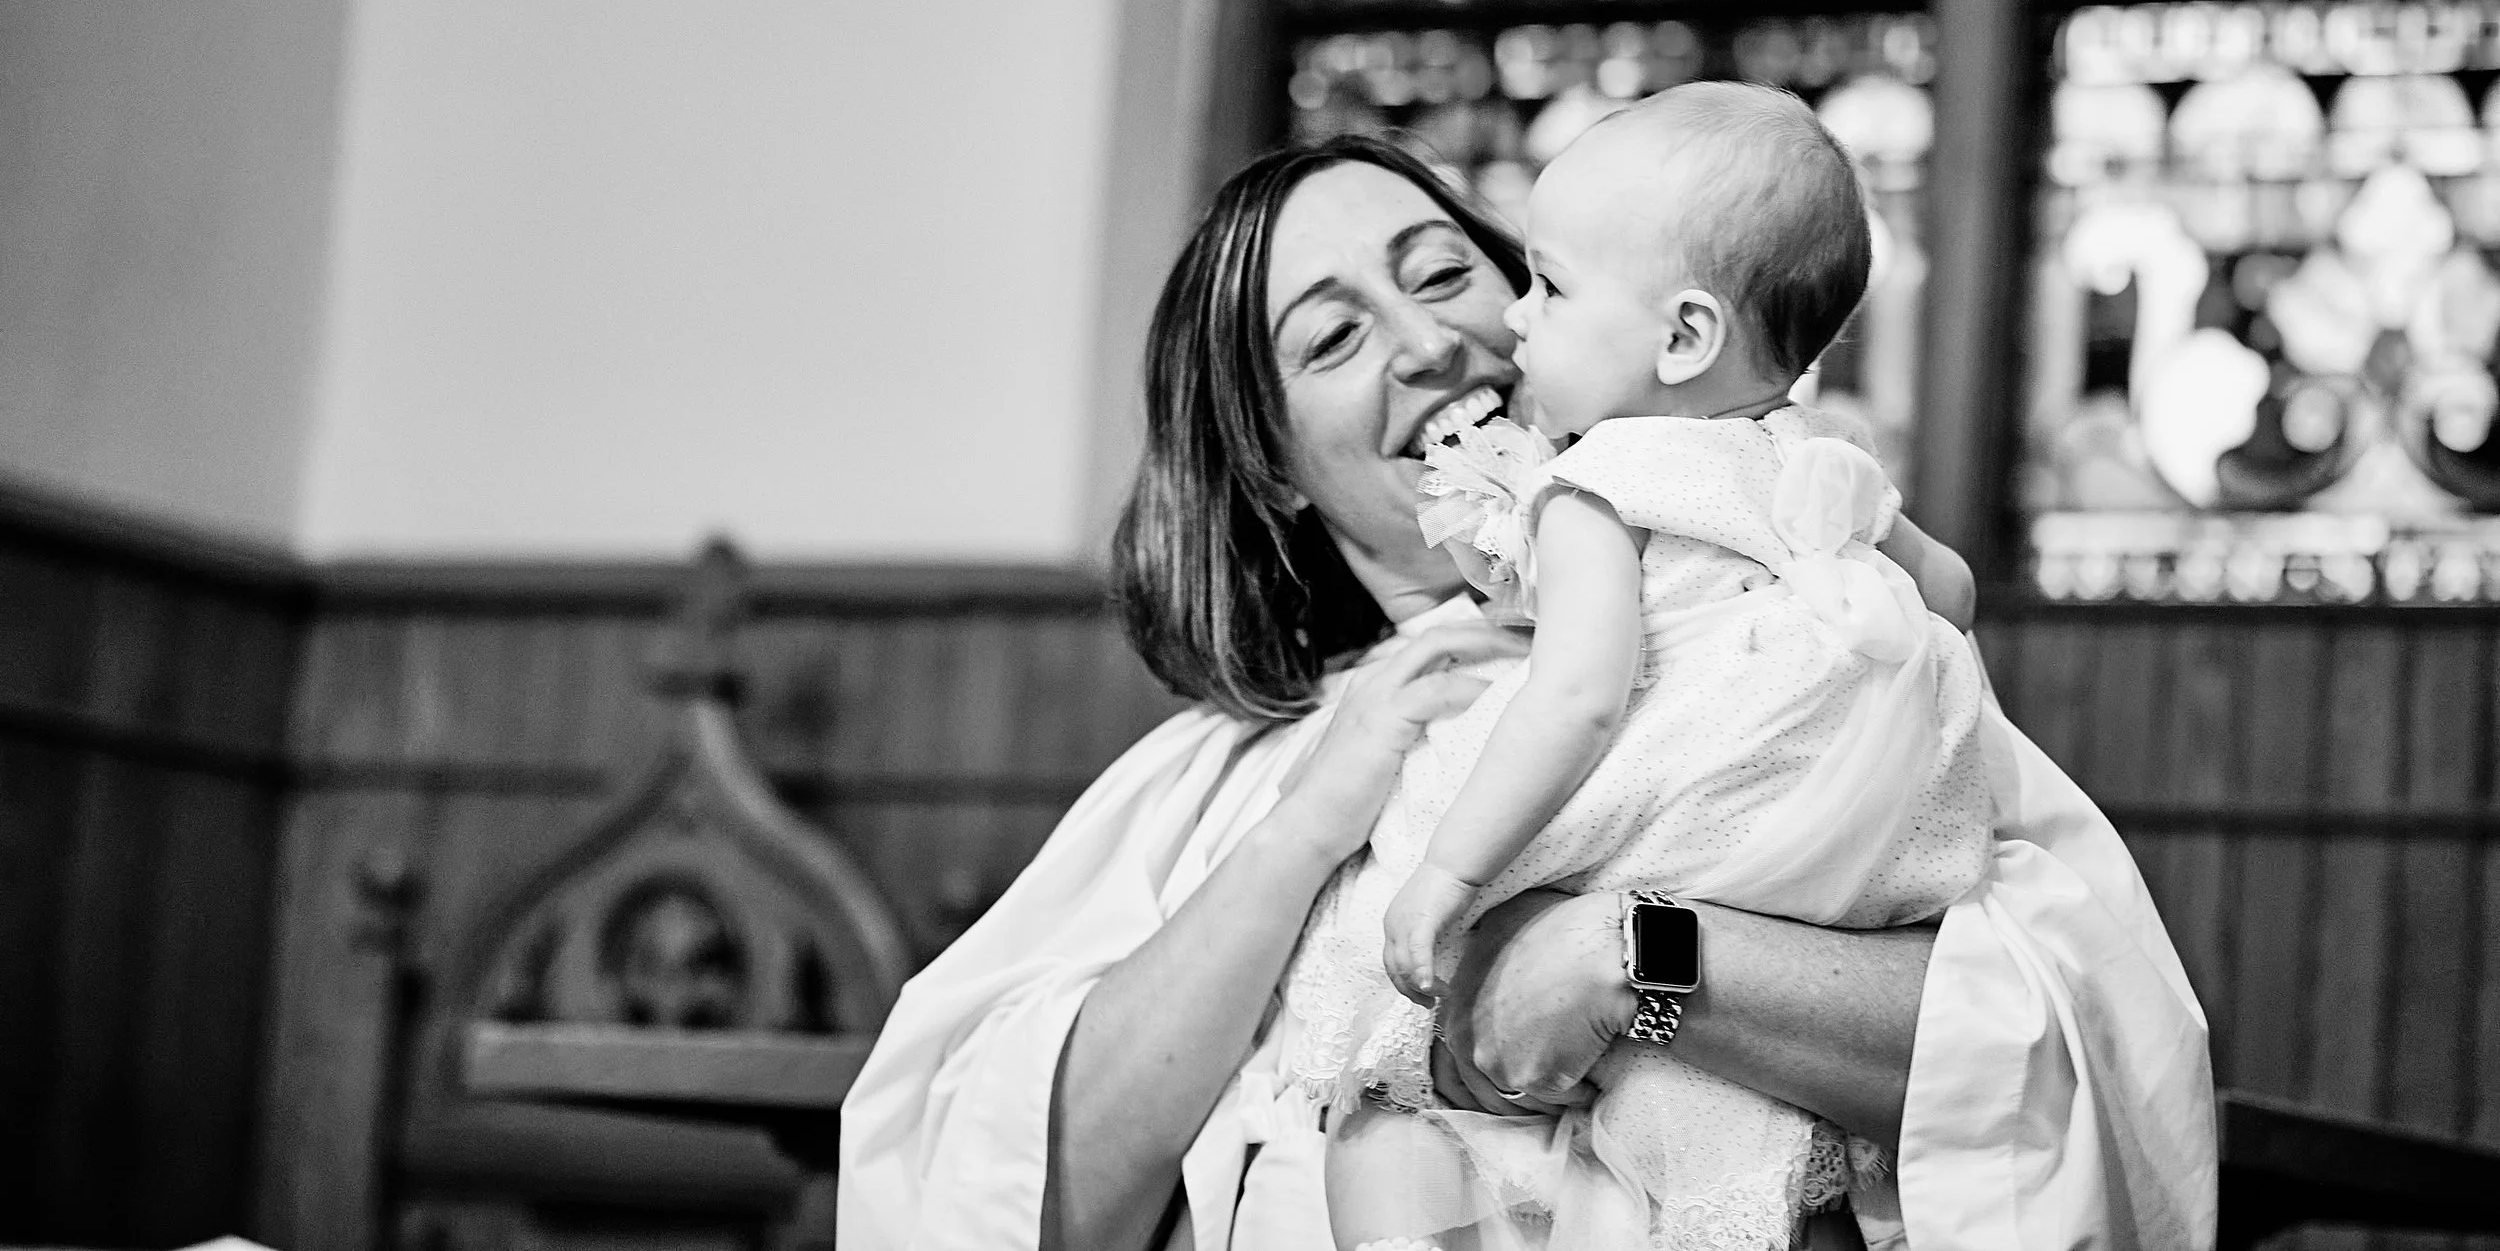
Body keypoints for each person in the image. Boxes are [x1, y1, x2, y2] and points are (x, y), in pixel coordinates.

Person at [837, 135, 2217, 1251]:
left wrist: (1637, 962)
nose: (1429, 345)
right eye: (1333, 339)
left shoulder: (1815, 642)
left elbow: (2057, 1053)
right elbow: (1025, 1204)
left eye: (1447, 274)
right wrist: (1311, 816)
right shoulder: (1217, 779)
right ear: (1272, 466)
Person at [1284, 87, 1995, 1250]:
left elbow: (1576, 697)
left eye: (1549, 287)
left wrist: (1447, 874)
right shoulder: (1820, 459)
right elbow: (1951, 597)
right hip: (1822, 864)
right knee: (1754, 1169)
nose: (1517, 315)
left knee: (1381, 1089)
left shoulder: (1596, 485)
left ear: (1682, 338)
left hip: (1653, 827)